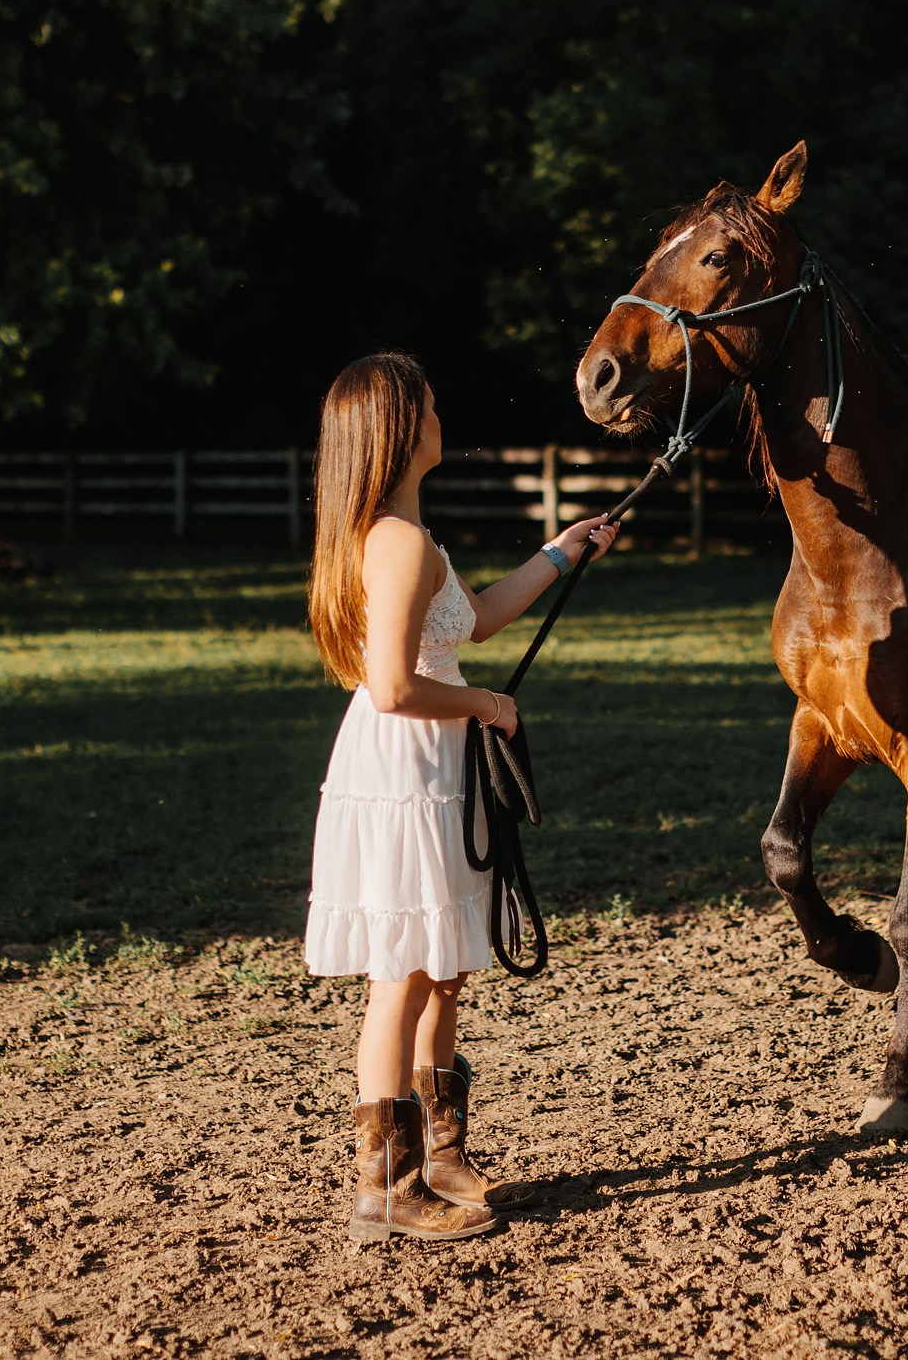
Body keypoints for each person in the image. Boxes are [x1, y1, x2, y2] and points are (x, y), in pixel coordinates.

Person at [304, 352, 618, 1245]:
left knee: (442, 966)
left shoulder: (407, 534)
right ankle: (386, 1188)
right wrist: (487, 705)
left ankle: (441, 1158)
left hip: (431, 764)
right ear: (400, 428)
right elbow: (395, 686)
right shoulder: (397, 542)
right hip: (409, 761)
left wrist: (560, 552)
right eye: (432, 406)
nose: (443, 417)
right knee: (402, 975)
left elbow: (471, 621)